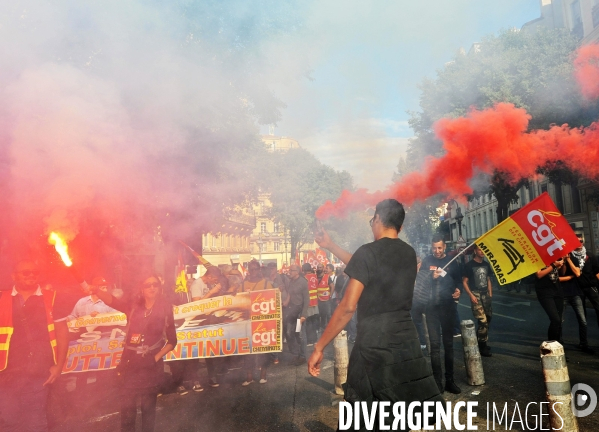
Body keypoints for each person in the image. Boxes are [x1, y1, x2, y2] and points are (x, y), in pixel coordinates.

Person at [309, 199, 443, 430]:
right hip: (405, 340)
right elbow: (366, 265)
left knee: (365, 414)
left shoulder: (367, 252)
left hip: (374, 342)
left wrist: (320, 346)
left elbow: (348, 307)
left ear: (378, 219)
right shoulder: (409, 253)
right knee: (400, 411)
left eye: (373, 220)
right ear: (399, 227)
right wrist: (330, 245)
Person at [90, 273, 176, 432]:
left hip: (151, 367)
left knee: (148, 410)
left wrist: (154, 358)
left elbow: (172, 341)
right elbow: (113, 301)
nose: (151, 288)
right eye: (147, 285)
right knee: (127, 410)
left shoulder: (165, 310)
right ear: (141, 289)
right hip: (129, 365)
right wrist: (96, 290)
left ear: (159, 288)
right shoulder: (134, 307)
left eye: (155, 285)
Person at [0, 260, 71, 432]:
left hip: (39, 372)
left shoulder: (52, 297)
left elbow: (62, 333)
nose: (31, 275)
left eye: (35, 272)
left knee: (35, 422)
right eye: (26, 272)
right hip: (6, 373)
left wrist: (59, 366)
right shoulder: (2, 298)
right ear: (14, 276)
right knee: (8, 420)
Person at [419, 234, 462, 394]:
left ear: (444, 247)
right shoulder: (427, 261)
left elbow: (458, 281)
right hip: (431, 309)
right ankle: (438, 383)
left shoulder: (452, 262)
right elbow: (420, 281)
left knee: (449, 345)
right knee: (435, 347)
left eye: (439, 248)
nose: (436, 251)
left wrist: (459, 290)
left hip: (448, 307)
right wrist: (431, 276)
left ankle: (450, 380)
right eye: (434, 248)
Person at [241, 260, 273, 385]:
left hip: (262, 323)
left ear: (259, 270)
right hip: (247, 323)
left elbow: (272, 299)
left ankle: (263, 375)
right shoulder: (243, 285)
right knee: (248, 350)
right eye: (251, 269)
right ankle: (249, 376)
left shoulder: (266, 284)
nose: (253, 272)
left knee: (263, 350)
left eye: (255, 269)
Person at [462, 245, 493, 357]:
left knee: (488, 318)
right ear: (475, 251)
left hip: (486, 295)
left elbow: (488, 279)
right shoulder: (469, 265)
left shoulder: (486, 264)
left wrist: (490, 293)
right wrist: (471, 295)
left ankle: (480, 341)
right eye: (479, 249)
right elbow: (464, 281)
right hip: (476, 293)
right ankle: (482, 346)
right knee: (482, 320)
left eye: (483, 249)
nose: (482, 251)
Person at [560, 249, 593, 353]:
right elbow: (560, 276)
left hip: (575, 293)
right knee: (559, 321)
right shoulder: (558, 260)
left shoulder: (574, 259)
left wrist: (569, 260)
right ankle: (560, 344)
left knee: (582, 320)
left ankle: (583, 344)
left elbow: (577, 273)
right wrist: (564, 262)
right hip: (562, 294)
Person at [284, 264, 309, 365]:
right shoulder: (291, 281)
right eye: (290, 270)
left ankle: (302, 356)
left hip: (299, 313)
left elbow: (307, 299)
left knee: (299, 334)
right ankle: (295, 353)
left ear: (297, 272)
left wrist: (303, 314)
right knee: (289, 332)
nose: (289, 272)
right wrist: (286, 302)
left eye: (292, 270)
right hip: (291, 312)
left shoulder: (303, 282)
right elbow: (290, 294)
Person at [535, 258, 566, 343]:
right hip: (545, 292)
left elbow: (562, 273)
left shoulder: (555, 257)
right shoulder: (536, 258)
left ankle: (557, 345)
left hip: (557, 290)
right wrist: (554, 265)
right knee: (555, 319)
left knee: (559, 321)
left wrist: (563, 262)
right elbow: (539, 274)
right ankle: (551, 346)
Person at [572, 234, 599, 330]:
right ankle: (583, 342)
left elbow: (597, 272)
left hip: (591, 286)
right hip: (578, 288)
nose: (580, 243)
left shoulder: (590, 255)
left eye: (581, 241)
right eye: (577, 241)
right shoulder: (570, 257)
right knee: (582, 316)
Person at [411, 256, 429, 355]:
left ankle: (429, 342)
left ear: (420, 264)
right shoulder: (410, 275)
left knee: (428, 322)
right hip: (414, 303)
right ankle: (422, 342)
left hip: (425, 302)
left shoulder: (425, 274)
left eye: (418, 263)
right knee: (417, 323)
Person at [302, 263, 320, 345]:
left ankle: (310, 340)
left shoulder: (304, 278)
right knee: (314, 321)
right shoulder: (315, 276)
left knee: (308, 322)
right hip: (315, 302)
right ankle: (315, 340)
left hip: (308, 303)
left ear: (304, 270)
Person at [316, 263, 332, 330]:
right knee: (321, 315)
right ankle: (322, 328)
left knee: (328, 314)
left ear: (323, 268)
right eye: (318, 267)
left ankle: (329, 328)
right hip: (318, 300)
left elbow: (332, 286)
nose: (319, 269)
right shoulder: (315, 277)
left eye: (320, 267)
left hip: (326, 300)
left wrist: (330, 294)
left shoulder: (327, 277)